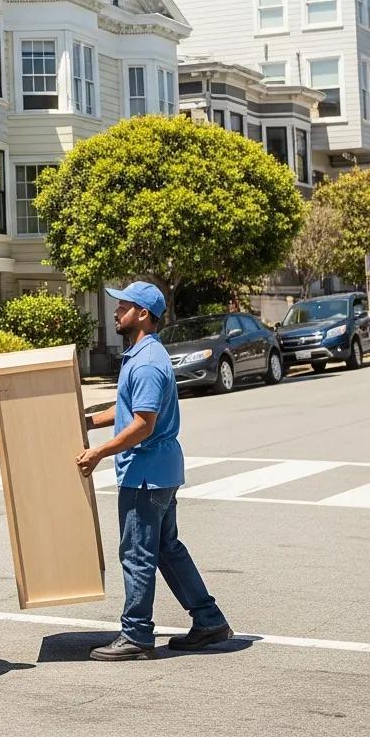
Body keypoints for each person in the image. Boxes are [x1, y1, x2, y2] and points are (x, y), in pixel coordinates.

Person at [77, 280, 233, 661]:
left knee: (137, 553)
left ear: (142, 314)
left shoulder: (146, 361)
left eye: (123, 306)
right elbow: (131, 411)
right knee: (166, 548)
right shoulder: (144, 354)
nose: (115, 311)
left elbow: (144, 424)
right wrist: (89, 422)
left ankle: (136, 635)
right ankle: (209, 620)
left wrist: (98, 453)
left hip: (145, 474)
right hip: (159, 470)